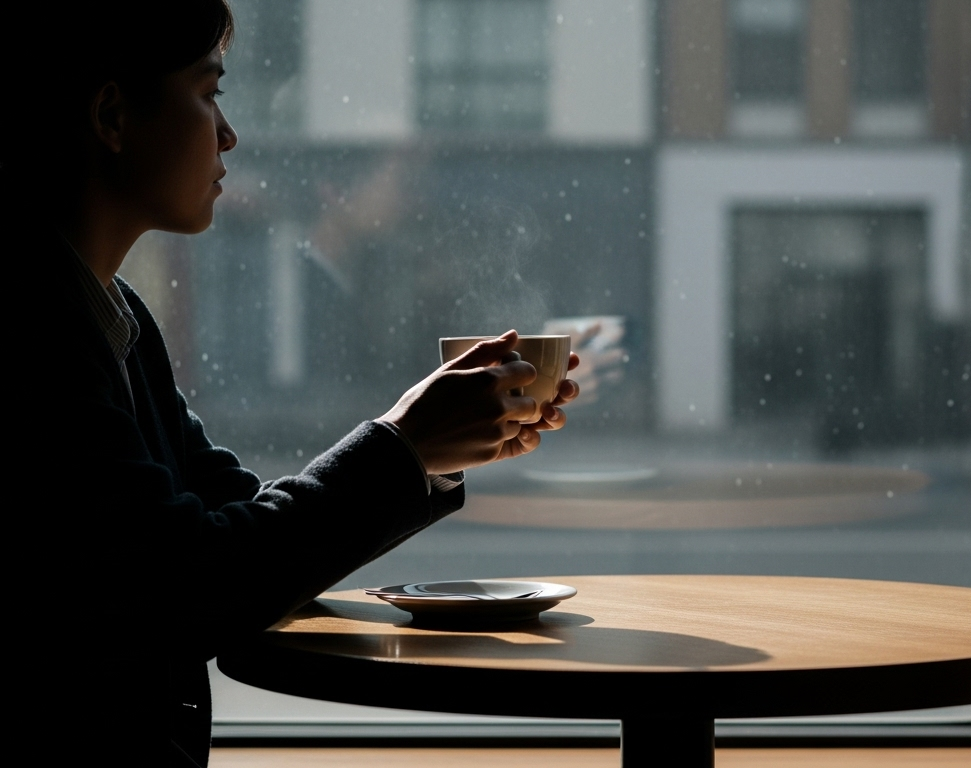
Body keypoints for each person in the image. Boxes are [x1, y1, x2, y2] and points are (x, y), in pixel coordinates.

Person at [1, 2, 578, 764]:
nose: (229, 134)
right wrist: (405, 445)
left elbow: (232, 515)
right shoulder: (26, 333)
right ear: (112, 114)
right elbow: (189, 579)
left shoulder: (112, 314)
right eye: (209, 94)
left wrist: (428, 446)